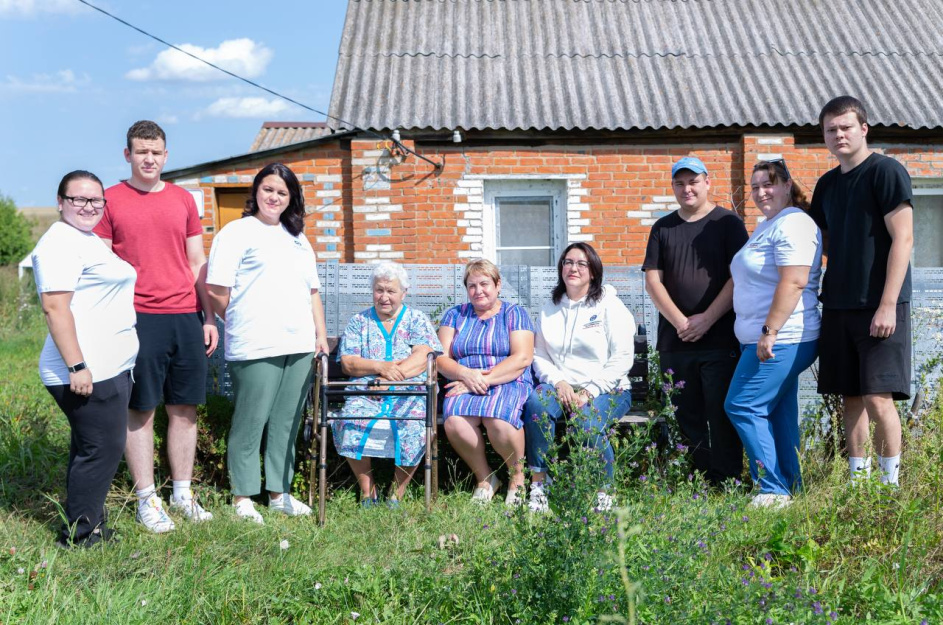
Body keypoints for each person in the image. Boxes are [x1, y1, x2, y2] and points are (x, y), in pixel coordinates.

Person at [94, 120, 218, 532]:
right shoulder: (110, 201)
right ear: (127, 155)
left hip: (185, 315)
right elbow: (102, 268)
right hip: (136, 318)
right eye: (141, 151)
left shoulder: (183, 200)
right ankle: (147, 498)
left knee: (184, 408)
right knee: (141, 408)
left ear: (166, 156)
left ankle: (182, 493)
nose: (149, 158)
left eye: (156, 151)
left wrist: (209, 316)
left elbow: (197, 261)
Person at [206, 163, 328, 524]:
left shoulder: (297, 237)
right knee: (251, 419)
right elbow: (216, 290)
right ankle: (242, 495)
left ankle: (279, 493)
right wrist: (241, 319)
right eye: (268, 189)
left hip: (300, 343)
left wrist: (320, 336)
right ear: (256, 191)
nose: (274, 197)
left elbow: (313, 292)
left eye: (282, 192)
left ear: (291, 199)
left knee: (287, 421)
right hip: (255, 343)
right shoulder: (236, 233)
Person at [810, 96, 914, 486]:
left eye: (845, 127)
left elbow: (903, 239)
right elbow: (818, 241)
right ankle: (859, 485)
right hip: (837, 306)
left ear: (864, 128)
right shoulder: (827, 185)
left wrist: (887, 305)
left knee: (877, 397)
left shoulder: (886, 172)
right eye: (831, 130)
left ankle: (891, 487)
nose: (838, 135)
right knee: (850, 398)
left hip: (879, 305)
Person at [32, 171, 139, 547]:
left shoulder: (87, 240)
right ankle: (80, 537)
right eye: (78, 199)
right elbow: (55, 308)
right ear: (60, 201)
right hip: (83, 369)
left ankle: (89, 523)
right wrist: (77, 365)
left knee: (91, 448)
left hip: (110, 366)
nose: (88, 206)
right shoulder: (60, 243)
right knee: (101, 449)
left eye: (96, 200)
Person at [642, 156, 749, 486]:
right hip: (677, 342)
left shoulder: (727, 224)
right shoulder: (663, 228)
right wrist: (681, 323)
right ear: (673, 187)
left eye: (693, 182)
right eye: (679, 183)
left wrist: (707, 318)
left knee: (721, 413)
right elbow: (653, 281)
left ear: (707, 183)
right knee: (687, 417)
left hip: (720, 340)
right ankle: (698, 481)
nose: (686, 189)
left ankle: (727, 480)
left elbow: (738, 277)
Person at [725, 159, 823, 507]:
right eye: (754, 187)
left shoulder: (794, 223)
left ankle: (771, 488)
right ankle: (791, 487)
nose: (761, 192)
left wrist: (770, 331)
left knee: (742, 405)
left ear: (786, 185)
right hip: (766, 337)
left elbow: (794, 280)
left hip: (783, 336)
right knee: (778, 410)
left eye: (768, 184)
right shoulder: (769, 224)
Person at [523, 243, 636, 513]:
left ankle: (604, 493)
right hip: (560, 386)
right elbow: (539, 354)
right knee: (536, 405)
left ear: (593, 271)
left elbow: (622, 357)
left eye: (581, 264)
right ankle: (540, 486)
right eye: (567, 262)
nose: (573, 268)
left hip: (609, 389)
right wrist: (558, 381)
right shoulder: (549, 307)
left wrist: (590, 392)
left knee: (586, 421)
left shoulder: (610, 305)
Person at [331, 262, 442, 507]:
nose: (384, 297)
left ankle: (396, 493)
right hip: (366, 393)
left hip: (410, 393)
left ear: (404, 293)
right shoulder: (359, 322)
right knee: (349, 420)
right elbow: (349, 363)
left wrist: (390, 378)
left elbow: (424, 356)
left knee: (415, 425)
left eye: (391, 291)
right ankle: (368, 491)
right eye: (379, 290)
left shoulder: (416, 319)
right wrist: (380, 367)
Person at [436, 259, 535, 505]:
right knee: (455, 421)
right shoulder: (454, 315)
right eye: (472, 285)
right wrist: (465, 375)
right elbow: (439, 358)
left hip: (507, 379)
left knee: (498, 419)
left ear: (498, 285)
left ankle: (517, 478)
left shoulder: (514, 313)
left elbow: (522, 357)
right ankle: (486, 478)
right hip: (464, 379)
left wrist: (481, 379)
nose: (478, 290)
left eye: (484, 284)